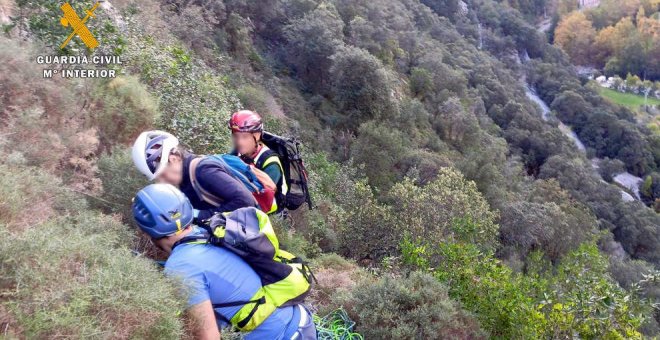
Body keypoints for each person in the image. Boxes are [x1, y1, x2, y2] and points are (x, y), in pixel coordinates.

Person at [132, 184, 317, 340]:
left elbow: (209, 337)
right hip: (299, 319)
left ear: (148, 232)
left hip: (282, 335)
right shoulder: (210, 230)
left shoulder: (180, 267)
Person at [132, 130, 256, 221]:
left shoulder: (204, 171)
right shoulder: (185, 179)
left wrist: (200, 215)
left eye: (163, 175)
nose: (162, 182)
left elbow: (246, 201)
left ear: (174, 159)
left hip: (251, 240)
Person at [229, 110, 287, 214]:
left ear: (257, 135)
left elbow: (263, 197)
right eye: (236, 136)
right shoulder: (238, 152)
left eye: (245, 137)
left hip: (266, 207)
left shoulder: (271, 164)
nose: (239, 142)